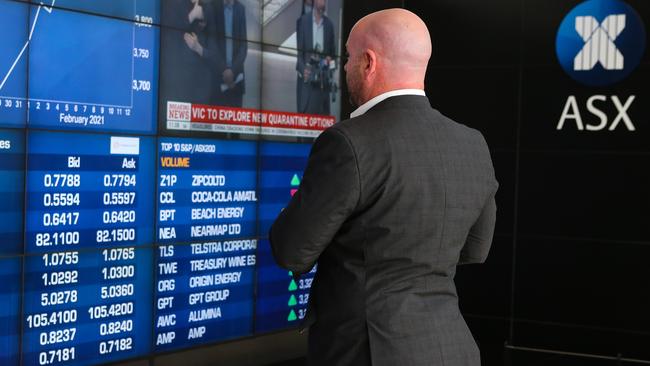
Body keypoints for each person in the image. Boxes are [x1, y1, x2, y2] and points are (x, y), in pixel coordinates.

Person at [270, 8, 498, 366]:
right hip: (452, 349)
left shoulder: (348, 142)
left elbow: (291, 251)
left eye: (348, 57)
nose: (344, 67)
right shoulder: (472, 143)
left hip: (366, 352)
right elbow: (475, 250)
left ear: (368, 62)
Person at [184, 0, 248, 107]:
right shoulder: (211, 7)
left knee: (235, 120)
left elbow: (244, 47)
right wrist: (224, 70)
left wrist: (232, 71)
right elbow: (212, 44)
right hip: (216, 80)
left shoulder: (240, 9)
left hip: (236, 81)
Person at [295, 0, 335, 115]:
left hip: (323, 85)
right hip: (307, 85)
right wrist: (304, 71)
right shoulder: (303, 22)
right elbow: (299, 55)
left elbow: (334, 58)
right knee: (304, 124)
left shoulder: (329, 25)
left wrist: (330, 61)